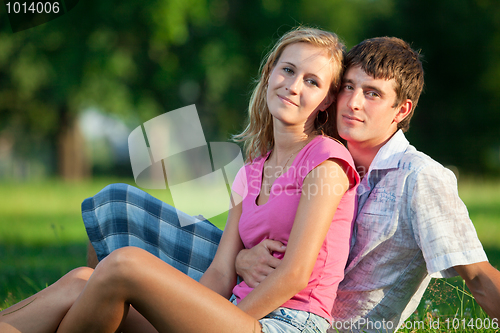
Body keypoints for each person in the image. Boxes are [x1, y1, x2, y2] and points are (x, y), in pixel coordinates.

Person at [86, 35, 500, 332]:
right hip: (259, 287)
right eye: (349, 88)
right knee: (114, 210)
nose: (354, 102)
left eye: (372, 94)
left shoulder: (419, 178)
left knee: (124, 271)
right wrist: (239, 261)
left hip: (310, 318)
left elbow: (478, 276)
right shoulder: (326, 147)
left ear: (401, 110)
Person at [0, 27, 360, 333]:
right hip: (232, 315)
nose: (294, 86)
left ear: (327, 100)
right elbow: (220, 273)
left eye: (312, 81)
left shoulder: (326, 159)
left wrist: (222, 321)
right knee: (82, 279)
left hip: (285, 324)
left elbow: (296, 274)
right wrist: (184, 312)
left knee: (125, 264)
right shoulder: (251, 170)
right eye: (288, 70)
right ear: (270, 72)